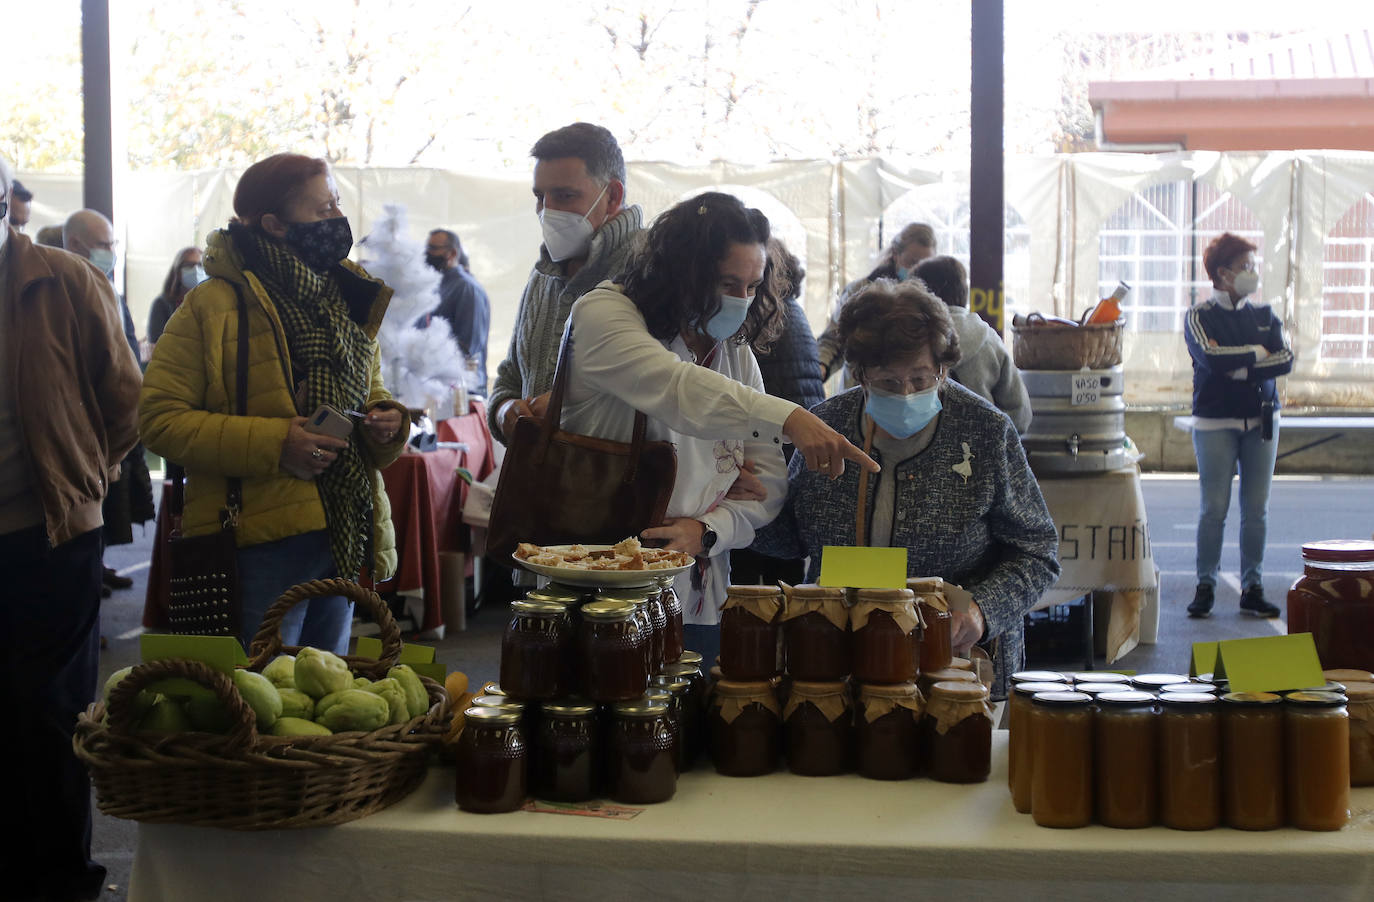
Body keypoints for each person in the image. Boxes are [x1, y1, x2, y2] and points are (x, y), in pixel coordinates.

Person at [559, 191, 879, 665]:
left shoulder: (733, 351)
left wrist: (708, 529)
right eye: (729, 283)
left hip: (697, 591)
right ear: (682, 272)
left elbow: (767, 481)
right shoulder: (604, 314)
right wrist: (789, 419)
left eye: (752, 287)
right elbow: (678, 391)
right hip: (598, 581)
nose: (742, 301)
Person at [140, 153, 410, 655]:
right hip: (254, 541)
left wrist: (386, 423)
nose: (335, 218)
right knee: (257, 703)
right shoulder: (212, 304)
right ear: (274, 224)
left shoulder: (346, 297)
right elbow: (159, 421)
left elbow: (370, 392)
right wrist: (275, 442)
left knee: (324, 699)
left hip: (343, 530)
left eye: (335, 203)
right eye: (321, 208)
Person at [755, 279, 1060, 700]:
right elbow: (793, 538)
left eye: (921, 378)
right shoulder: (827, 427)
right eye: (888, 382)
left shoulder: (985, 431)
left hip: (957, 665)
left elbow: (1038, 551)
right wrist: (753, 504)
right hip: (842, 661)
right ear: (859, 375)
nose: (907, 393)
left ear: (943, 367)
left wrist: (981, 610)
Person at [0, 155, 142, 902]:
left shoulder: (63, 280)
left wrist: (85, 477)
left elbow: (124, 401)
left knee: (50, 714)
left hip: (47, 533)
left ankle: (61, 879)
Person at [488, 122, 644, 444]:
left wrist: (571, 406)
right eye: (540, 197)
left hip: (618, 487)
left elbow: (678, 392)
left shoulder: (652, 270)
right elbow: (511, 376)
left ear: (613, 196)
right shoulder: (542, 275)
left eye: (564, 196)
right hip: (536, 482)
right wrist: (504, 412)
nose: (547, 211)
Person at [1184, 232, 1294, 619]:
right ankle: (1205, 585)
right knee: (1213, 507)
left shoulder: (1265, 317)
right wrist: (1254, 356)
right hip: (1214, 422)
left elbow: (1284, 360)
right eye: (1245, 267)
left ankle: (1253, 586)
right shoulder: (1199, 316)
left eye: (1253, 266)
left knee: (1256, 509)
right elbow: (1210, 358)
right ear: (1222, 274)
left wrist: (1239, 367)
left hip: (1263, 418)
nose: (1252, 273)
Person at [63, 208, 152, 593]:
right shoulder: (60, 291)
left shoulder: (109, 289)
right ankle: (83, 581)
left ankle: (96, 568)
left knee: (113, 506)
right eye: (103, 244)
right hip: (83, 426)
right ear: (75, 244)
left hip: (114, 426)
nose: (110, 251)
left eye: (113, 243)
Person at [732, 238, 825, 586]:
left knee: (747, 581)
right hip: (792, 454)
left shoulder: (758, 317)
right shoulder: (790, 311)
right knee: (783, 580)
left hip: (767, 459)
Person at [913, 254, 1031, 433]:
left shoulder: (908, 342)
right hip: (984, 447)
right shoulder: (990, 340)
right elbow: (1020, 414)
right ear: (964, 291)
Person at [817, 221, 937, 383]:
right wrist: (821, 366)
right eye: (912, 262)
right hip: (860, 392)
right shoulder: (859, 291)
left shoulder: (932, 302)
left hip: (909, 392)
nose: (917, 270)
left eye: (925, 264)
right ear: (895, 254)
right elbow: (833, 340)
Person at [422, 228, 490, 396]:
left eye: (433, 248)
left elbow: (468, 347)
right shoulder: (437, 285)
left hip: (465, 392)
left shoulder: (467, 289)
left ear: (452, 253)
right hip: (440, 387)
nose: (426, 253)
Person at [147, 246, 206, 344]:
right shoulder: (162, 304)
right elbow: (157, 343)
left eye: (200, 265)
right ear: (178, 270)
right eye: (189, 265)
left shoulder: (209, 303)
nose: (196, 270)